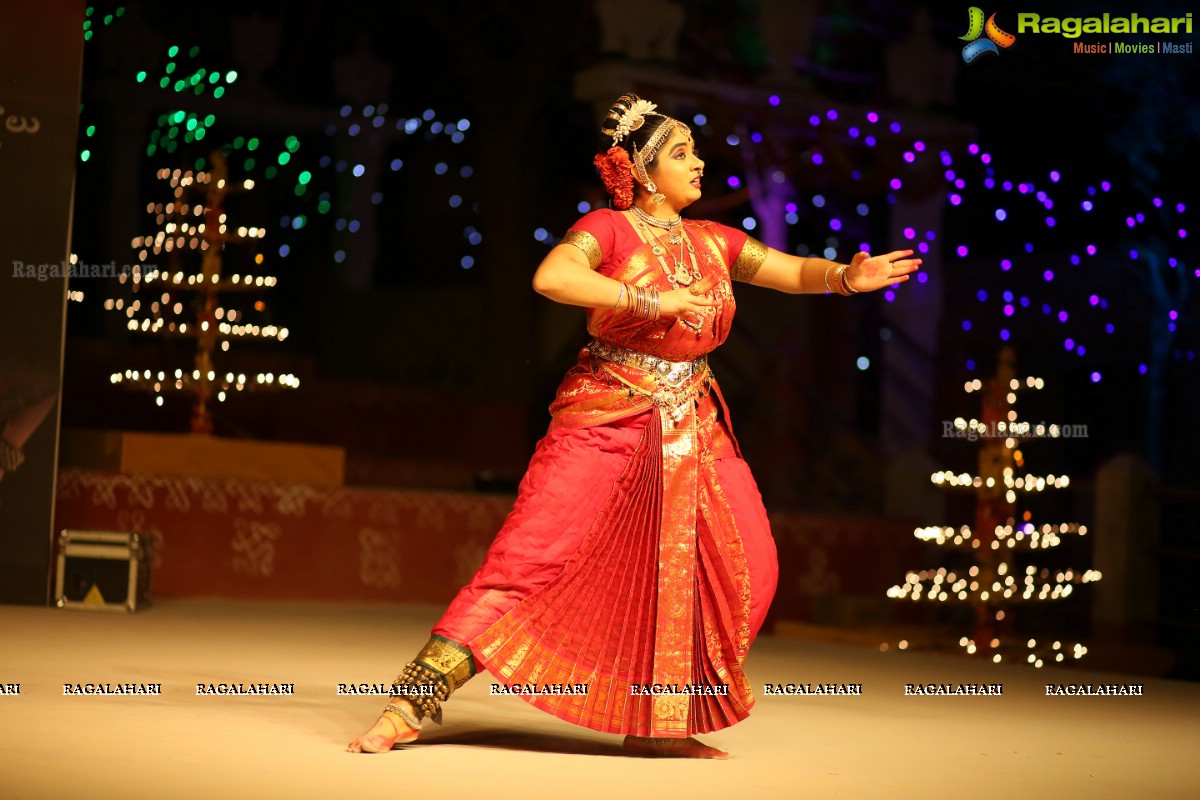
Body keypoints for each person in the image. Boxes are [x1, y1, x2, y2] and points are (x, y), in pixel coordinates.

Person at [348, 93, 920, 758]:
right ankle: (410, 702)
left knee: (745, 564)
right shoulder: (610, 229)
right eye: (683, 153)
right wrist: (650, 298)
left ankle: (658, 724)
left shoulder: (713, 240)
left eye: (695, 150)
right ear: (646, 172)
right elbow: (554, 276)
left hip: (694, 423)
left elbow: (789, 271)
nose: (699, 162)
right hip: (608, 412)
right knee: (526, 563)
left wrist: (846, 278)